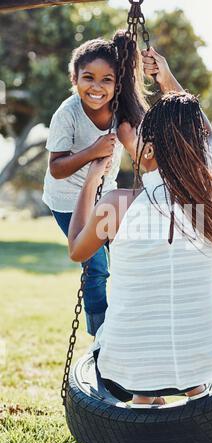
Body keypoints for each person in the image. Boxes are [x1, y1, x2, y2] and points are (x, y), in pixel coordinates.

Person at [67, 50, 212, 406]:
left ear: (146, 152)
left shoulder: (118, 205)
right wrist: (167, 79)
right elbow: (205, 135)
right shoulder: (210, 198)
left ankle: (144, 397)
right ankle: (191, 391)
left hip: (126, 363)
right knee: (184, 351)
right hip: (205, 359)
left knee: (139, 359)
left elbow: (76, 250)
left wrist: (91, 181)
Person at [42, 30, 148, 336]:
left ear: (117, 83)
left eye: (107, 80)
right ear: (74, 79)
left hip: (106, 196)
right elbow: (57, 168)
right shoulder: (68, 114)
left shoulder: (121, 109)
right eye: (88, 77)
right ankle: (99, 334)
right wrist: (92, 152)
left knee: (128, 254)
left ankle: (129, 325)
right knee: (96, 266)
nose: (97, 87)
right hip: (67, 201)